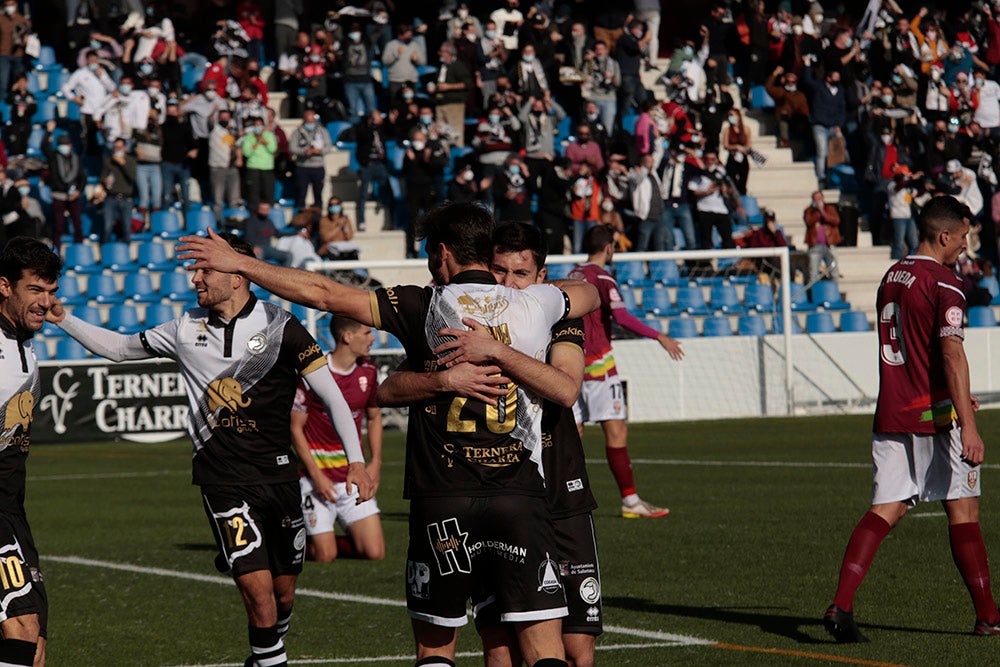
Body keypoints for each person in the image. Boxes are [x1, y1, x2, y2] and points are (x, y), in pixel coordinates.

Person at [175, 202, 600, 667]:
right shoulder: (537, 302)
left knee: (437, 647)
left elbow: (323, 294)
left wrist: (241, 263)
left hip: (444, 494)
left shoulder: (424, 303)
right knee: (543, 649)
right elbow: (588, 294)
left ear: (442, 254)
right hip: (522, 494)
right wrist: (542, 296)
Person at [49, 232, 374, 666]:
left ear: (238, 275)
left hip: (279, 478)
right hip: (222, 480)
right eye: (195, 269)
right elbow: (121, 349)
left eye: (206, 269)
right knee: (258, 595)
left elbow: (332, 396)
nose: (195, 278)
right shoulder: (185, 327)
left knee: (282, 593)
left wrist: (356, 461)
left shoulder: (282, 327)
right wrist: (64, 318)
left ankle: (264, 656)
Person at [376, 222, 602, 667]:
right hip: (504, 488)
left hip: (559, 490)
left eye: (520, 274)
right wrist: (441, 376)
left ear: (542, 278)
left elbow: (565, 386)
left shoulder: (557, 321)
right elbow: (393, 385)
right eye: (499, 270)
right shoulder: (465, 323)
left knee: (576, 645)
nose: (506, 283)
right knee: (497, 637)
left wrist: (495, 349)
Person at [824, 196, 1000, 643]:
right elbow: (950, 352)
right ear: (944, 235)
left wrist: (957, 394)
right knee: (963, 509)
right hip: (934, 418)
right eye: (963, 237)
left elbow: (920, 347)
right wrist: (969, 423)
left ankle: (840, 606)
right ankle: (988, 617)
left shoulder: (893, 274)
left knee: (885, 509)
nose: (965, 246)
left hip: (893, 409)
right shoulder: (946, 283)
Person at [569, 224, 683, 518]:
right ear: (609, 247)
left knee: (572, 435)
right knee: (616, 430)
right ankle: (631, 502)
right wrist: (660, 336)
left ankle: (556, 498)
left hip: (571, 363)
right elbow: (620, 316)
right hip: (598, 365)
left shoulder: (573, 273)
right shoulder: (604, 278)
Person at [0, 238, 60, 667]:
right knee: (22, 626)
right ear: (5, 286)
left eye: (51, 291)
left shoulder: (26, 344)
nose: (45, 302)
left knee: (33, 641)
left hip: (11, 508)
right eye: (35, 290)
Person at [294, 315, 384, 562]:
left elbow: (374, 418)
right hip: (315, 480)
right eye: (366, 332)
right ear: (347, 336)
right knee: (324, 556)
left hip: (350, 477)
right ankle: (286, 542)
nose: (372, 338)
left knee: (375, 552)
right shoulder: (314, 372)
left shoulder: (369, 371)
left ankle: (320, 541)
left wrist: (375, 463)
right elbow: (295, 428)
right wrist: (317, 475)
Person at [41, 121, 86, 248]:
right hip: (58, 194)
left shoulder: (76, 159)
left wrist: (78, 191)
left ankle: (79, 248)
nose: (63, 147)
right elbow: (44, 147)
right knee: (58, 225)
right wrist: (48, 132)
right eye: (61, 145)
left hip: (74, 195)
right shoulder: (54, 157)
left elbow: (82, 177)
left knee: (78, 224)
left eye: (65, 144)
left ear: (70, 145)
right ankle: (56, 251)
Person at [289, 110, 332, 209]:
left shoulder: (322, 130)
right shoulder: (297, 132)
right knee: (301, 194)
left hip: (318, 167)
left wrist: (319, 151)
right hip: (302, 167)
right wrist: (304, 151)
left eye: (312, 121)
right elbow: (292, 148)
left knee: (318, 194)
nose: (310, 124)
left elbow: (328, 146)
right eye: (308, 122)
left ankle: (317, 218)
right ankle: (300, 220)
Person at [98, 138, 137, 243]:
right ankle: (105, 251)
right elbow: (102, 178)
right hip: (111, 197)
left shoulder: (131, 161)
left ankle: (126, 254)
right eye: (115, 147)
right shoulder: (108, 161)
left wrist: (122, 164)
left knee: (127, 228)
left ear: (124, 148)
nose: (117, 149)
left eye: (119, 147)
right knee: (107, 227)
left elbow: (133, 178)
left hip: (126, 198)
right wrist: (105, 181)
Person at [803, 190, 842, 285]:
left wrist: (823, 213)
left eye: (819, 198)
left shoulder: (830, 209)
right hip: (815, 246)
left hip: (829, 244)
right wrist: (817, 213)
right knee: (813, 273)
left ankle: (835, 292)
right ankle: (813, 295)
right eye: (815, 199)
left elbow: (836, 221)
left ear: (823, 198)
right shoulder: (809, 211)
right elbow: (808, 222)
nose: (817, 201)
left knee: (833, 271)